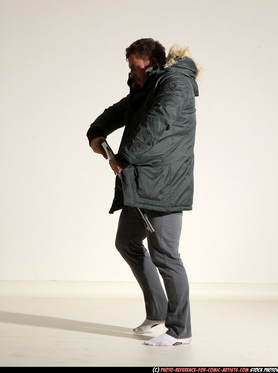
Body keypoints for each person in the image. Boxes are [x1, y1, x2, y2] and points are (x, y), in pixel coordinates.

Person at [86, 38, 201, 346]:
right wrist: (96, 132)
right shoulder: (147, 86)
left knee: (166, 254)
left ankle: (180, 330)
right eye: (130, 68)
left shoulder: (175, 83)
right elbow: (122, 110)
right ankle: (158, 311)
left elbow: (157, 122)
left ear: (151, 62)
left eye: (135, 67)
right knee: (126, 242)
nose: (132, 73)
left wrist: (123, 158)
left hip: (165, 183)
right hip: (142, 182)